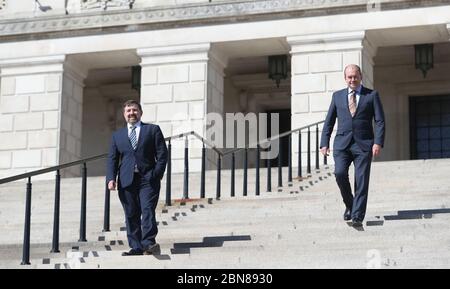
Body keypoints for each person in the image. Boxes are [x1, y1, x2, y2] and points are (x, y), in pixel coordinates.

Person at [320, 64, 385, 227]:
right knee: (340, 173)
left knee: (361, 180)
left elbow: (379, 121)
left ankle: (357, 215)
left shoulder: (371, 95)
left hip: (364, 144)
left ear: (360, 76)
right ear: (345, 78)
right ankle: (350, 204)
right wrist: (324, 143)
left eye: (355, 76)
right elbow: (329, 122)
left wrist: (378, 142)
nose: (352, 80)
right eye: (349, 77)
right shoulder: (337, 96)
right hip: (342, 144)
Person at [107, 100, 168, 255]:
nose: (131, 113)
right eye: (128, 111)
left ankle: (148, 243)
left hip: (148, 179)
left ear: (140, 113)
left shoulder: (152, 130)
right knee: (131, 213)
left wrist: (156, 174)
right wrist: (111, 178)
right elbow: (113, 159)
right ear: (124, 114)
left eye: (134, 110)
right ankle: (136, 246)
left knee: (147, 209)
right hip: (126, 180)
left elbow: (162, 155)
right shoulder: (117, 136)